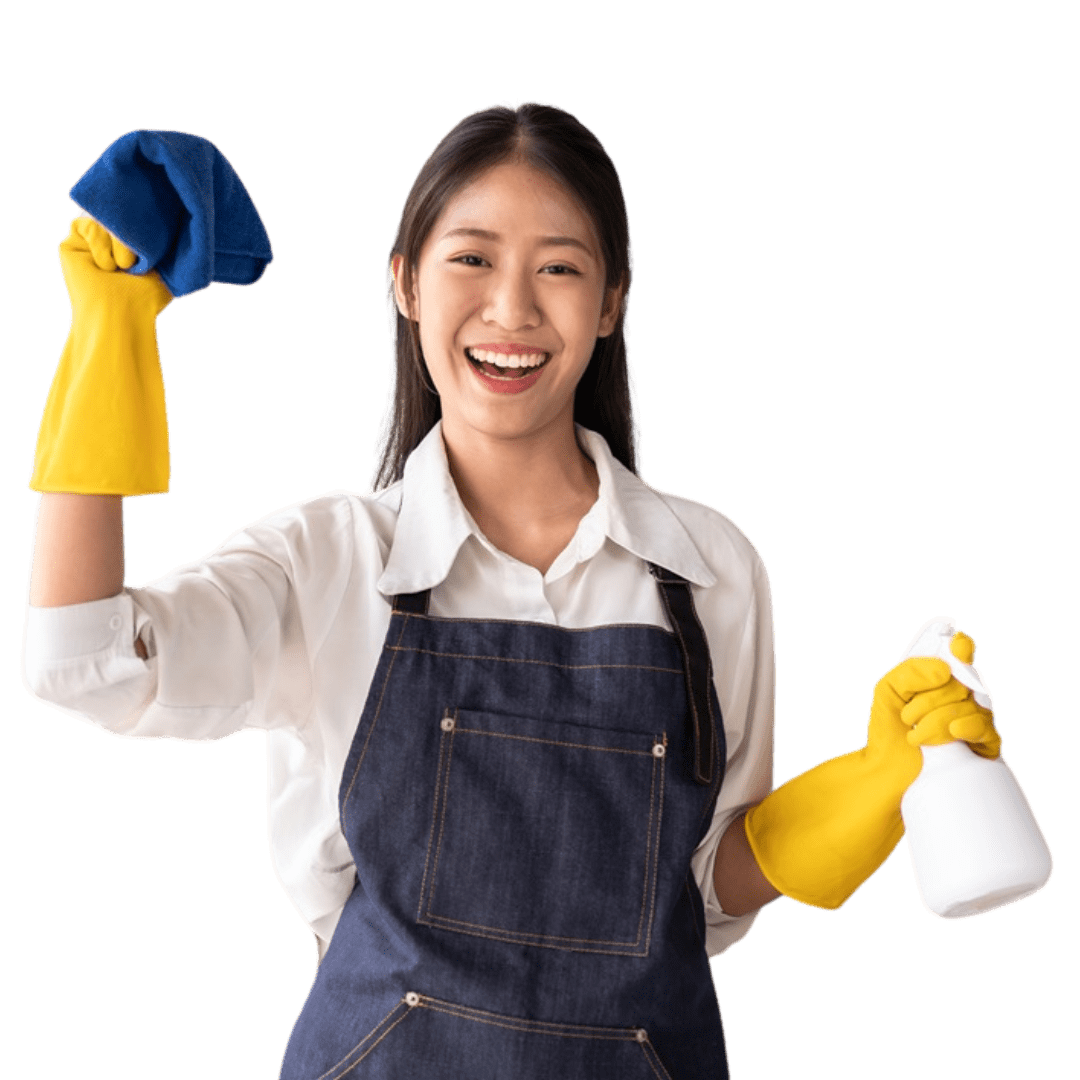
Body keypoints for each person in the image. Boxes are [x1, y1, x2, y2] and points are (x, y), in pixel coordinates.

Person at [22, 103, 1000, 1079]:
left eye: (561, 267)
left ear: (612, 300)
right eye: (472, 259)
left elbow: (704, 891)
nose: (513, 311)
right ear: (405, 283)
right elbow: (82, 661)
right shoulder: (329, 558)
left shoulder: (711, 568)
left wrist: (876, 785)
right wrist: (108, 336)